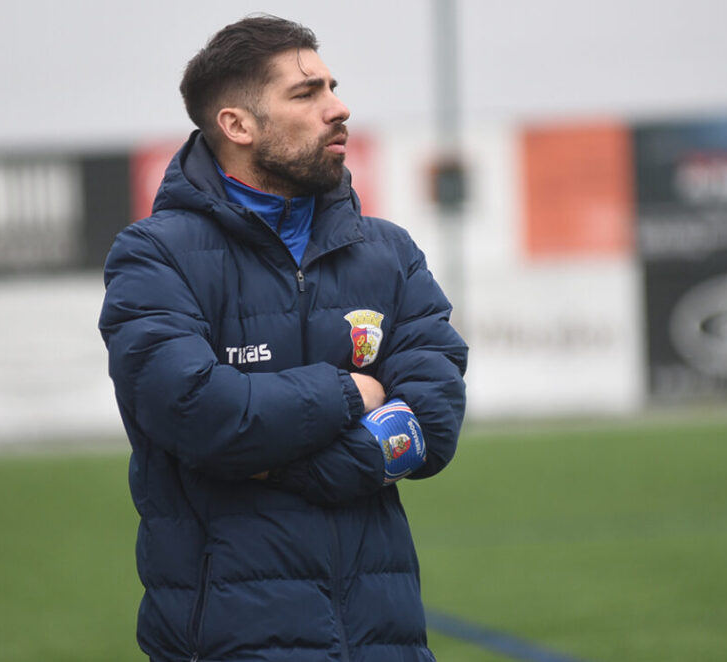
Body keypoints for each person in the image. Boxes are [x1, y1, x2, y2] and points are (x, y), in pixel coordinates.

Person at [99, 14, 468, 662]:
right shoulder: (155, 257)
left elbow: (431, 422)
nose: (338, 108)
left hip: (384, 642)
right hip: (230, 643)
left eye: (332, 87)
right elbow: (201, 414)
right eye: (306, 93)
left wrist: (282, 465)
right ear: (237, 125)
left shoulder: (388, 253)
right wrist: (352, 392)